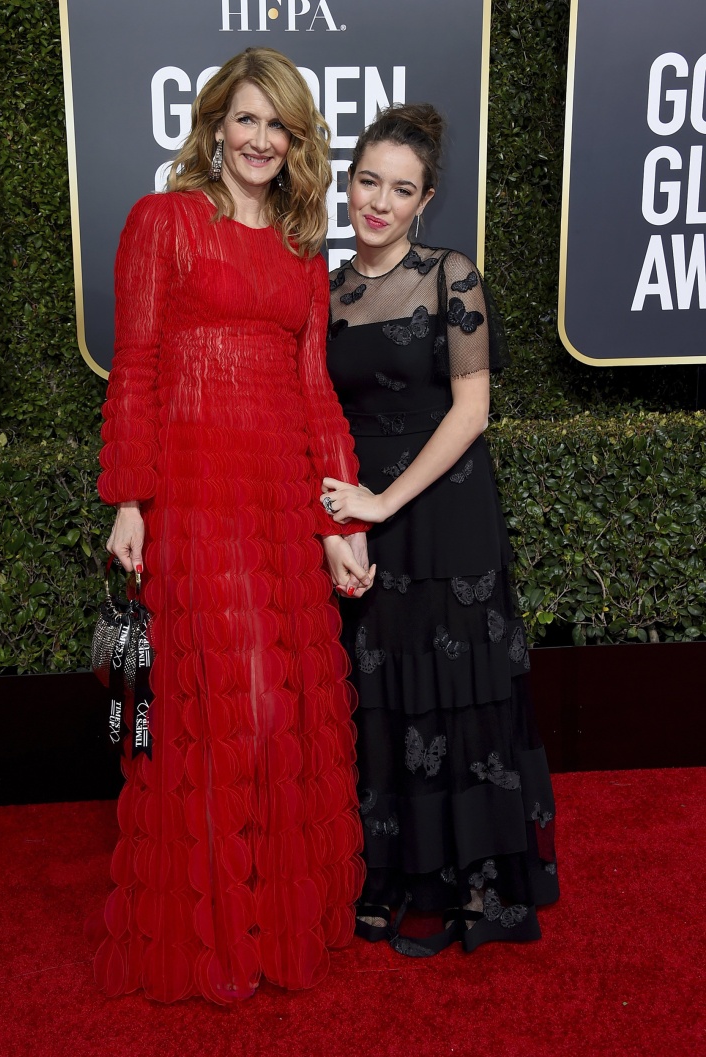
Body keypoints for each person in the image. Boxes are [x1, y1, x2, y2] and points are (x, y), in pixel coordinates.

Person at [93, 47, 374, 1004]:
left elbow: (315, 387)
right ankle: (213, 926)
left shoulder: (304, 253)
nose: (260, 140)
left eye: (279, 126)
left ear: (297, 142)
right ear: (216, 124)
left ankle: (265, 921)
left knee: (274, 711)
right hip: (195, 496)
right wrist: (129, 497)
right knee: (222, 707)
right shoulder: (163, 220)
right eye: (246, 120)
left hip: (278, 495)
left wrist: (338, 513)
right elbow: (132, 362)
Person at [321, 103, 559, 956]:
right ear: (347, 183)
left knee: (457, 693)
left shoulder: (450, 275)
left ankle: (475, 881)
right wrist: (343, 517)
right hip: (359, 512)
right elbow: (315, 418)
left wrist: (385, 503)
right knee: (382, 695)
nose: (378, 201)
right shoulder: (325, 291)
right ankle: (392, 874)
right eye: (367, 181)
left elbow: (473, 410)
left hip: (445, 508)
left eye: (401, 189)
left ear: (425, 200)